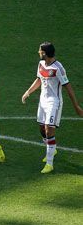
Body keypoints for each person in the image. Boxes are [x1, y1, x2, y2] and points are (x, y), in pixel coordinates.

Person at [22, 42, 83, 173]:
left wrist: (76, 106)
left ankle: (49, 164)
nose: (38, 52)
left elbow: (68, 86)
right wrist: (28, 92)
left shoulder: (58, 68)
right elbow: (38, 79)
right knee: (42, 128)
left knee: (49, 130)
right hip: (42, 101)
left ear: (44, 53)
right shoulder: (41, 64)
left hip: (53, 102)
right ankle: (52, 148)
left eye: (40, 51)